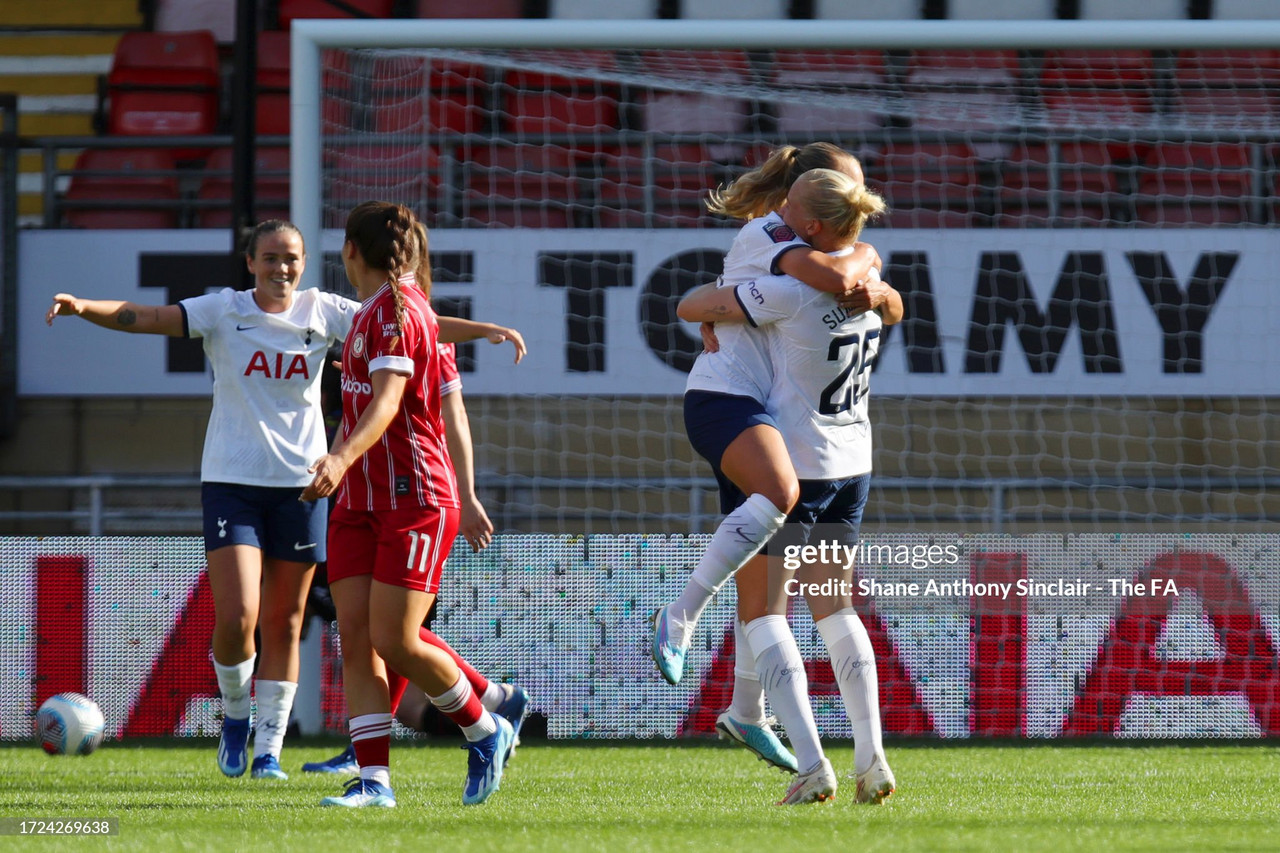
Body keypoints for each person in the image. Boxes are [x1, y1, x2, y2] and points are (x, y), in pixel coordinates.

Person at [46, 220, 354, 781]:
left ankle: (268, 752)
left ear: (304, 263)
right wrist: (82, 305)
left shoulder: (326, 311)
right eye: (270, 257)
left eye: (291, 258)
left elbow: (406, 331)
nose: (281, 267)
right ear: (250, 262)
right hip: (232, 483)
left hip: (304, 486)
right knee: (239, 617)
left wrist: (482, 331)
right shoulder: (223, 310)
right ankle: (235, 717)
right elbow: (145, 317)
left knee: (285, 623)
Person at [650, 143, 900, 775]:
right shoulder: (778, 246)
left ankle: (747, 711)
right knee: (780, 584)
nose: (862, 210)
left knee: (772, 594)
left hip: (786, 424)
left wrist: (717, 309)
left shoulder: (815, 264)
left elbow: (866, 285)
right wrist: (866, 270)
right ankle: (680, 617)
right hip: (743, 407)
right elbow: (691, 305)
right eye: (852, 195)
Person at [301, 201, 514, 808]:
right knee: (358, 639)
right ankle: (374, 783)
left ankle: (484, 727)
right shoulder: (370, 315)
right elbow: (358, 411)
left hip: (413, 497)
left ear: (349, 252)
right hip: (359, 502)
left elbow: (389, 403)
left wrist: (339, 461)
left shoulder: (396, 314)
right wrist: (335, 463)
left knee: (397, 639)